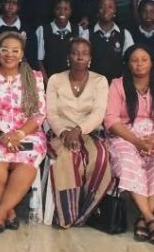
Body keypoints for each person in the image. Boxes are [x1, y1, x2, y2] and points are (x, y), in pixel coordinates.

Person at [104, 45, 154, 243]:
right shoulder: (118, 85)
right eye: (134, 60)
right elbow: (111, 120)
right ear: (128, 64)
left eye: (144, 59)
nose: (139, 64)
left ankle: (142, 219)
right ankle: (150, 218)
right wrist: (137, 142)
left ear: (152, 62)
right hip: (126, 137)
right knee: (127, 160)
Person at [0, 31, 47, 233]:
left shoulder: (34, 77)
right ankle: (10, 213)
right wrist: (2, 136)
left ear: (22, 54)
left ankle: (0, 213)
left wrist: (19, 135)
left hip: (27, 133)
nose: (10, 54)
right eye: (5, 50)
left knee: (27, 163)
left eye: (15, 50)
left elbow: (39, 114)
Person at [46, 38, 112, 227]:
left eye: (84, 53)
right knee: (68, 156)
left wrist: (78, 130)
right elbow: (51, 113)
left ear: (90, 58)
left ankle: (87, 210)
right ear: (68, 57)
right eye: (75, 53)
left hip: (90, 132)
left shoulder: (100, 81)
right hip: (60, 133)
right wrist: (63, 132)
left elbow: (98, 113)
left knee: (100, 156)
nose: (80, 57)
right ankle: (67, 214)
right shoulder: (55, 80)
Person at [36, 0, 86, 77]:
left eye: (66, 9)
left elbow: (81, 60)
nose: (62, 12)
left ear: (71, 11)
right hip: (49, 78)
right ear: (53, 10)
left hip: (71, 79)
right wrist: (47, 81)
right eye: (58, 8)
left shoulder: (78, 31)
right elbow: (39, 61)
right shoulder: (43, 30)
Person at [89, 0, 134, 81]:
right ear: (98, 10)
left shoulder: (124, 34)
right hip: (94, 82)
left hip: (117, 83)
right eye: (102, 7)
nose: (106, 10)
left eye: (110, 7)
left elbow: (131, 59)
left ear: (115, 10)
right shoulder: (88, 33)